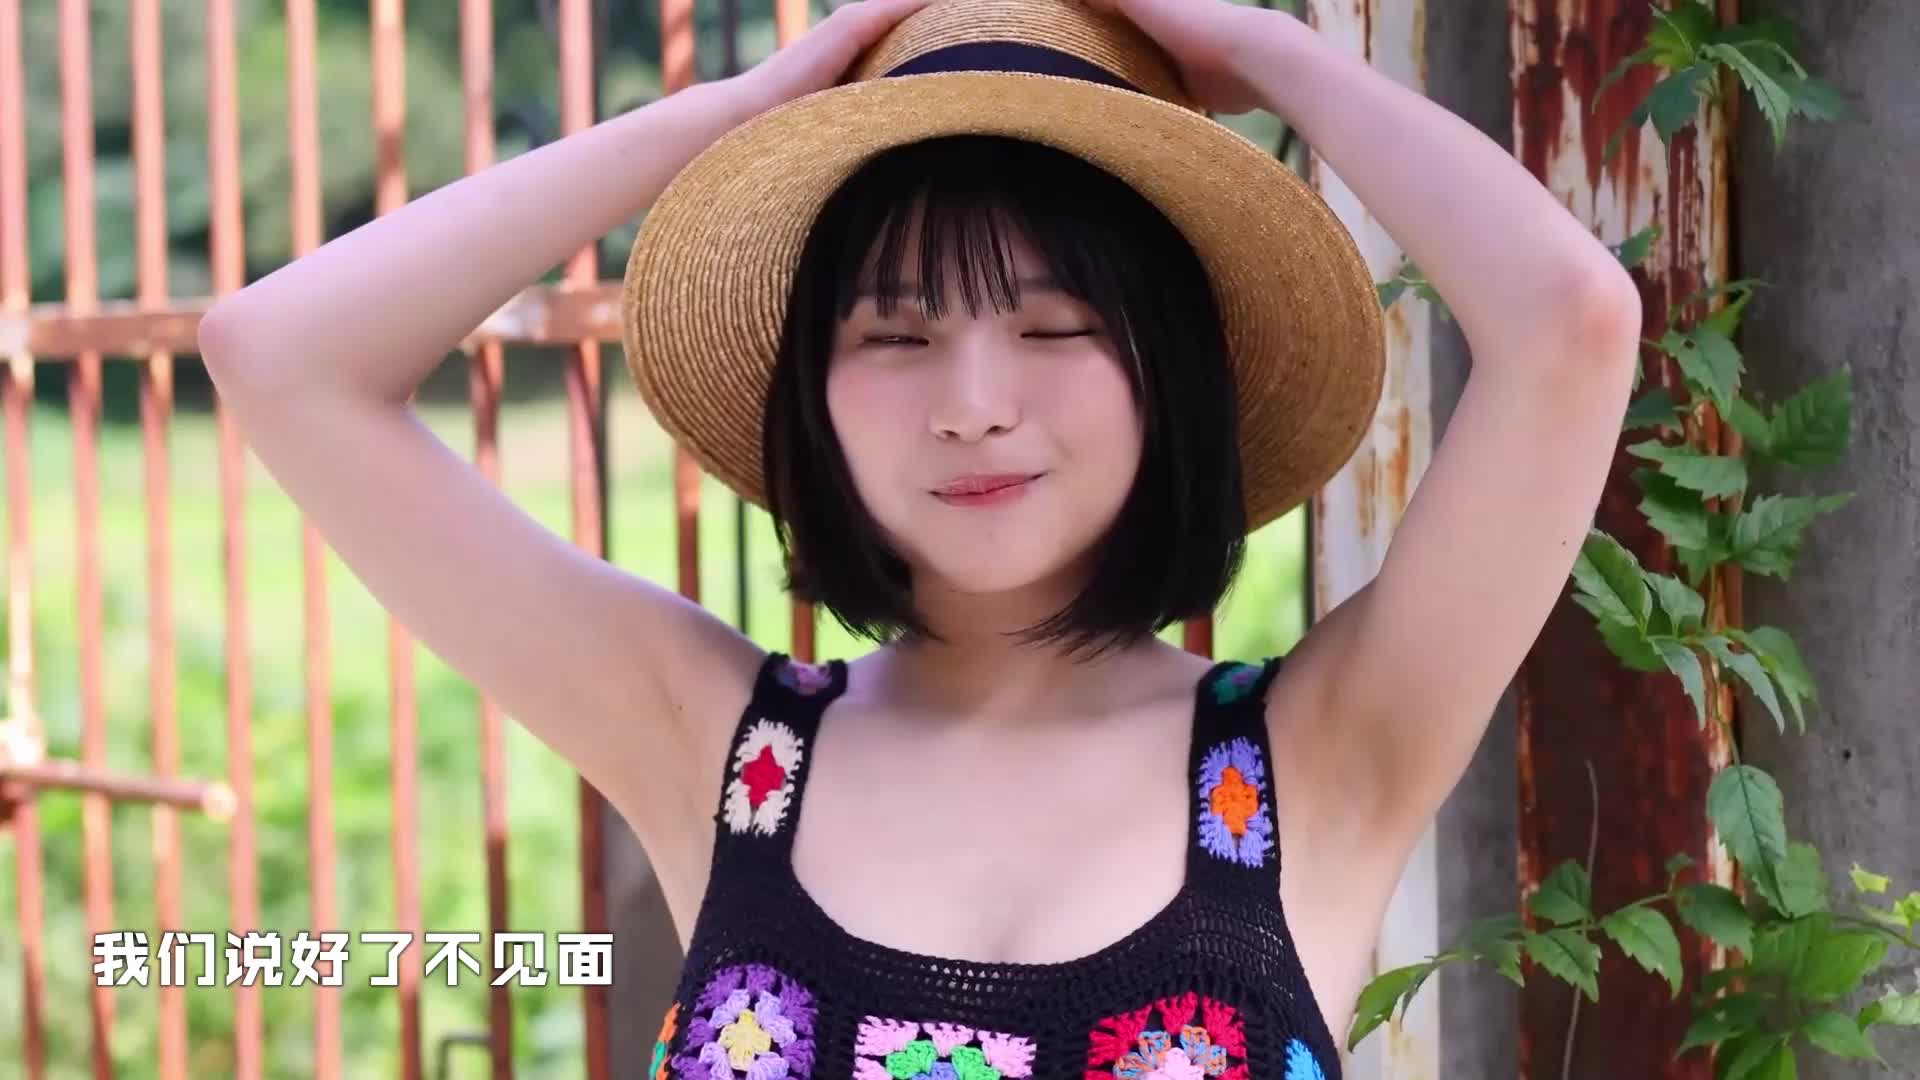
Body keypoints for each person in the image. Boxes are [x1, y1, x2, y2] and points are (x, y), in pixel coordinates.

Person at [196, 0, 1642, 1076]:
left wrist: (1258, 51)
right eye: (895, 335)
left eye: (1054, 327)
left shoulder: (1319, 755)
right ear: (812, 393)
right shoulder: (718, 747)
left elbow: (1571, 326)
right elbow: (282, 353)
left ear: (1173, 371)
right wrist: (737, 113)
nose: (973, 406)